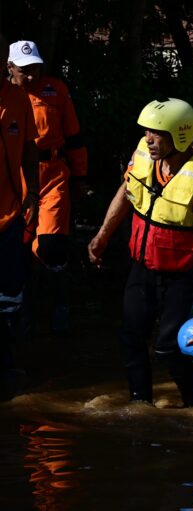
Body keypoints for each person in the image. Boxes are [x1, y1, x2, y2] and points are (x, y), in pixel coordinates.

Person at [87, 98, 193, 407]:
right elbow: (125, 195)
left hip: (180, 277)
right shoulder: (142, 154)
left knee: (167, 348)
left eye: (157, 133)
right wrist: (101, 237)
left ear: (180, 135)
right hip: (142, 268)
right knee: (130, 339)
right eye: (147, 131)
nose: (149, 139)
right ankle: (141, 406)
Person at [8, 40, 89, 333]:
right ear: (10, 68)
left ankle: (60, 304)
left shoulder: (56, 91)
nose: (31, 76)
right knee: (18, 247)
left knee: (51, 245)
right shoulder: (6, 96)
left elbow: (75, 136)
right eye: (24, 70)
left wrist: (79, 177)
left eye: (35, 69)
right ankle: (24, 311)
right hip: (16, 180)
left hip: (53, 174)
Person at [0, 33, 39, 400]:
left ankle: (8, 362)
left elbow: (29, 150)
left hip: (9, 213)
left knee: (9, 296)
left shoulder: (18, 101)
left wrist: (35, 198)